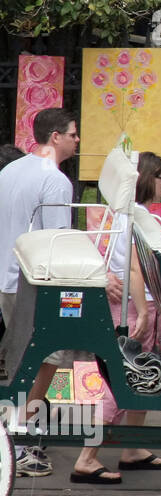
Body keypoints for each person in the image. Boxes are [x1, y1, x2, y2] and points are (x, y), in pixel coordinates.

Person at [72, 152, 161, 483]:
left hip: (130, 303)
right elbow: (133, 265)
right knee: (122, 380)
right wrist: (144, 309)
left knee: (143, 376)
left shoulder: (121, 213)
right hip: (134, 305)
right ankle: (87, 458)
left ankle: (131, 448)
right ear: (147, 179)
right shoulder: (134, 216)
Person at [0, 108, 81, 477]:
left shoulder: (10, 171)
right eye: (74, 134)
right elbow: (56, 244)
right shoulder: (56, 181)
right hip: (34, 283)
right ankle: (24, 444)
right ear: (55, 137)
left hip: (8, 278)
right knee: (45, 360)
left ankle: (17, 435)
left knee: (23, 361)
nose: (77, 140)